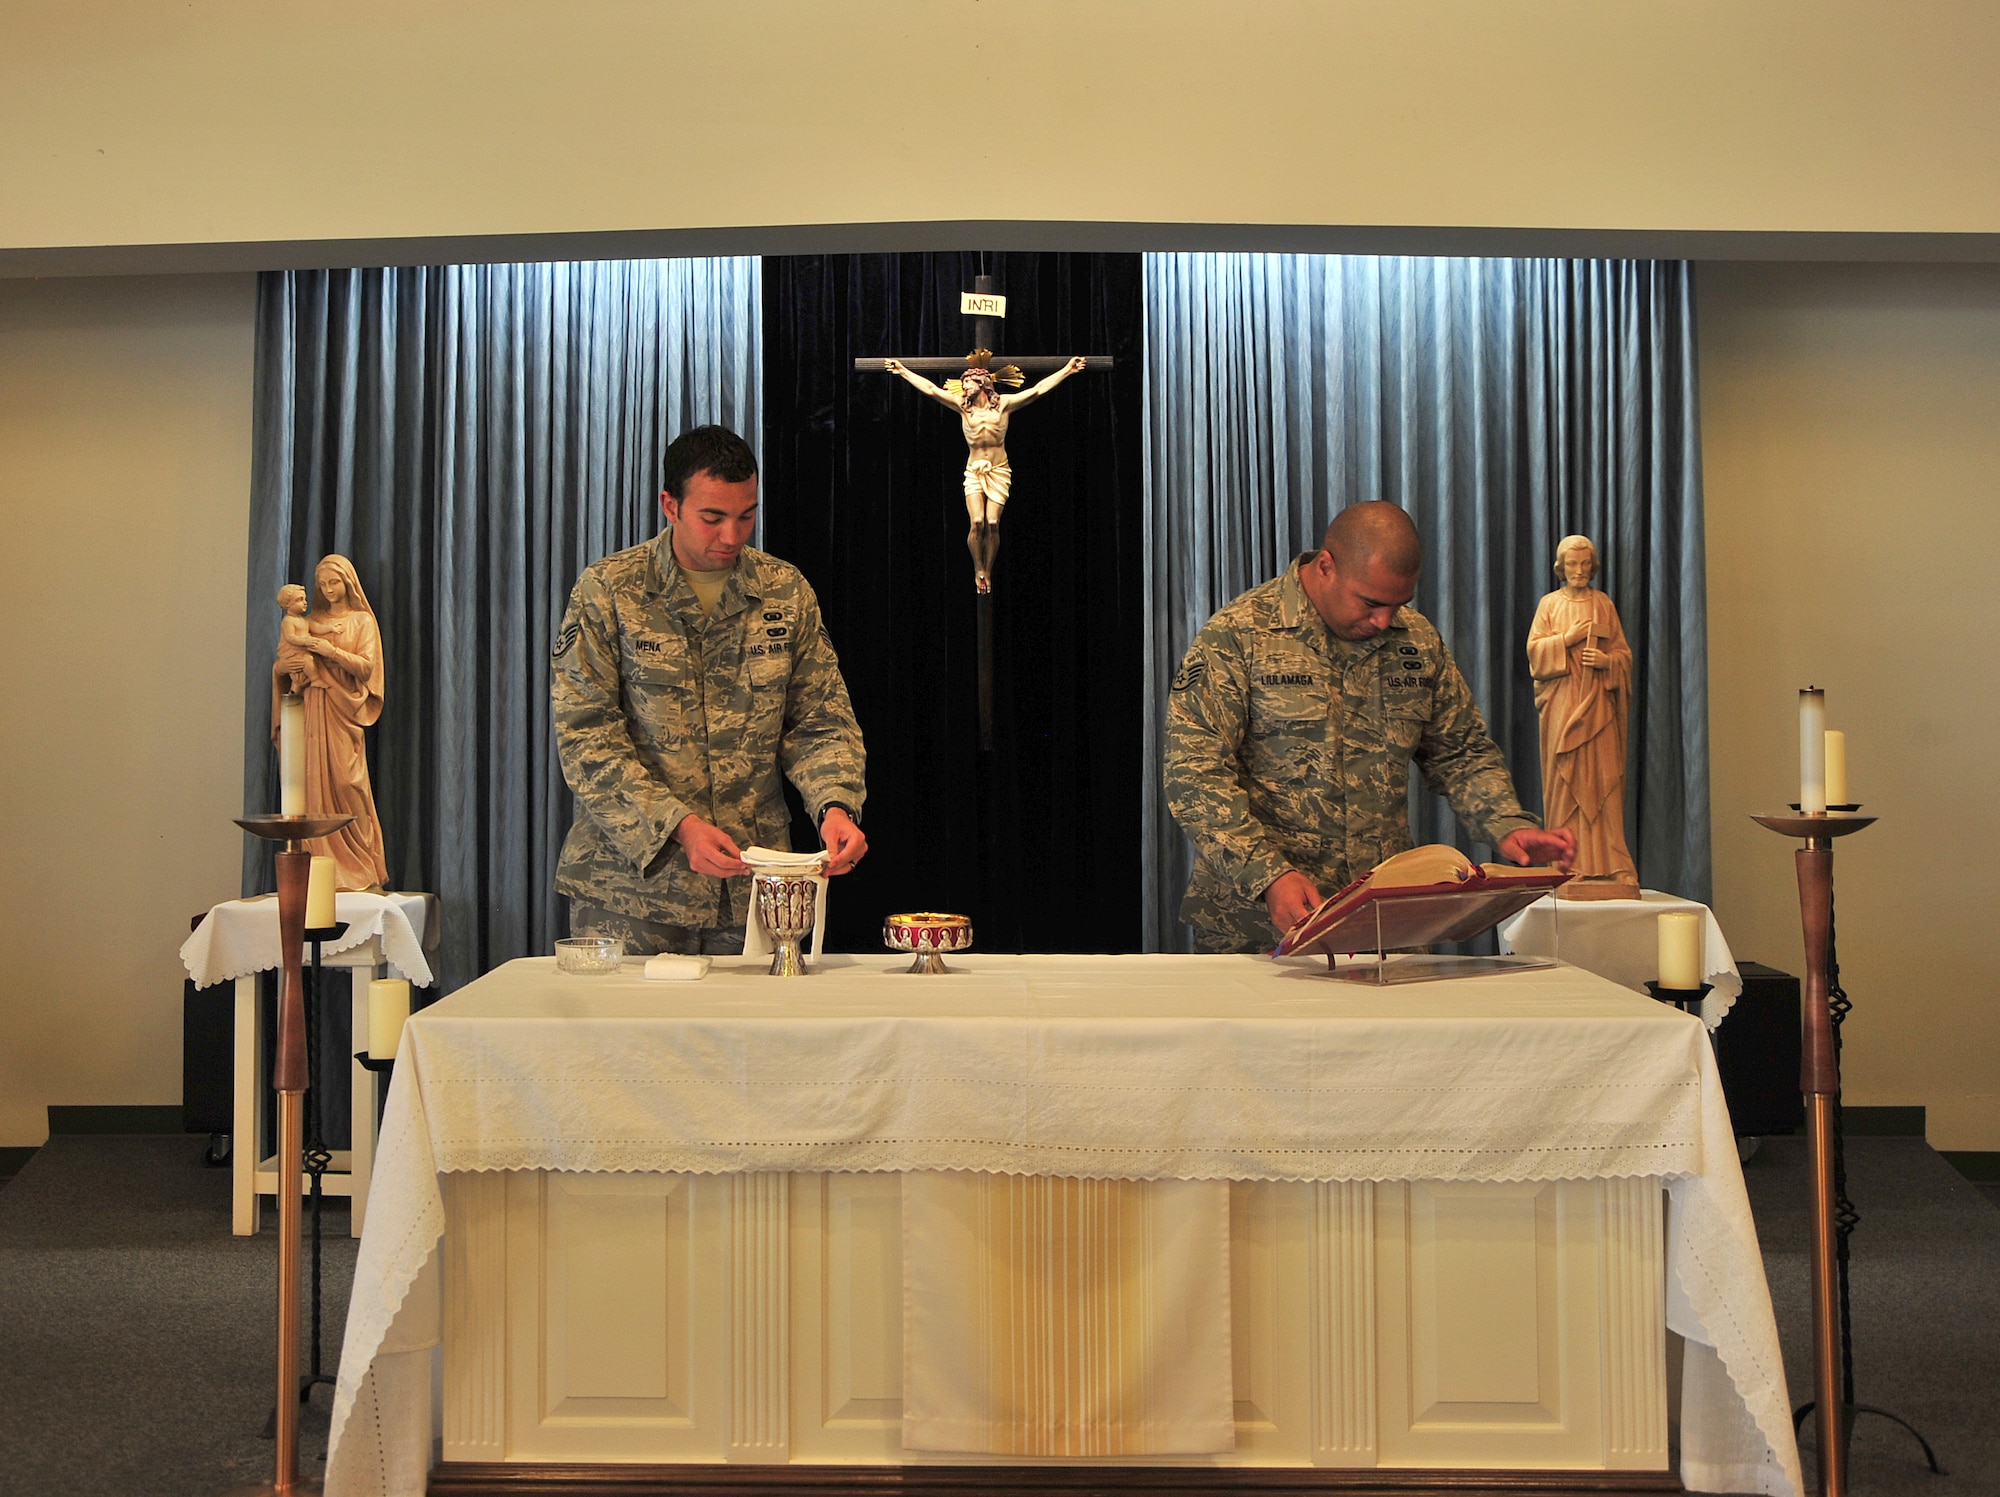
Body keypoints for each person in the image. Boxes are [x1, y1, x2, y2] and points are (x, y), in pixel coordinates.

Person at [1163, 502, 1575, 951]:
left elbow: (1461, 751)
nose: (1384, 621)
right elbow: (1195, 774)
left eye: (1399, 604)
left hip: (1385, 924)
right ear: (1326, 566)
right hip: (1258, 925)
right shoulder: (1239, 635)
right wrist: (1268, 876)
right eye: (1372, 602)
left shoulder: (1415, 642)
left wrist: (1506, 823)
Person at [552, 424, 867, 956]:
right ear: (669, 505)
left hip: (757, 890)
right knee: (627, 1042)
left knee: (756, 1040)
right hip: (631, 891)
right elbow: (586, 739)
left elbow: (819, 720)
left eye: (747, 515)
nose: (732, 536)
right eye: (713, 517)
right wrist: (678, 826)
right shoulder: (609, 591)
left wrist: (835, 805)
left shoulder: (784, 591)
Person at [884, 354, 1089, 592]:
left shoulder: (1003, 405)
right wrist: (904, 371)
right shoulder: (962, 406)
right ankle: (978, 568)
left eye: (967, 383)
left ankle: (988, 569)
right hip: (973, 471)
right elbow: (930, 389)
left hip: (999, 470)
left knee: (992, 523)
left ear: (981, 383)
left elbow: (1037, 390)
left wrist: (1066, 370)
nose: (963, 387)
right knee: (977, 522)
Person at [1526, 534, 1639, 893]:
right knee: (1565, 783)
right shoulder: (1549, 605)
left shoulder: (1603, 604)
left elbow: (1623, 653)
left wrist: (1608, 662)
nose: (1578, 570)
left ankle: (1614, 864)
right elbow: (1535, 655)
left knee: (1605, 783)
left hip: (1599, 709)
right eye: (1571, 564)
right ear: (1561, 567)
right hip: (1562, 706)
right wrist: (1568, 640)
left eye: (1585, 563)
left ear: (1593, 566)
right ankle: (1566, 863)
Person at [280, 554, 391, 891]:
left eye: (334, 582)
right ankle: (322, 868)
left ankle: (362, 865)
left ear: (348, 583)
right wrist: (287, 671)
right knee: (313, 786)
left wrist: (328, 651)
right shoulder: (306, 620)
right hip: (314, 704)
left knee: (347, 781)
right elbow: (286, 658)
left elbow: (365, 668)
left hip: (344, 709)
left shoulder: (361, 622)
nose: (328, 589)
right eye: (322, 584)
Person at [273, 583, 320, 695]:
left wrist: (331, 628)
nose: (305, 602)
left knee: (303, 670)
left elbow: (318, 627)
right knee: (299, 669)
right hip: (293, 652)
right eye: (299, 600)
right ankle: (314, 681)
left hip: (303, 651)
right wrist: (305, 641)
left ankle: (295, 693)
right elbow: (290, 637)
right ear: (287, 604)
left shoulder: (304, 620)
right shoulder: (288, 620)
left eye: (305, 599)